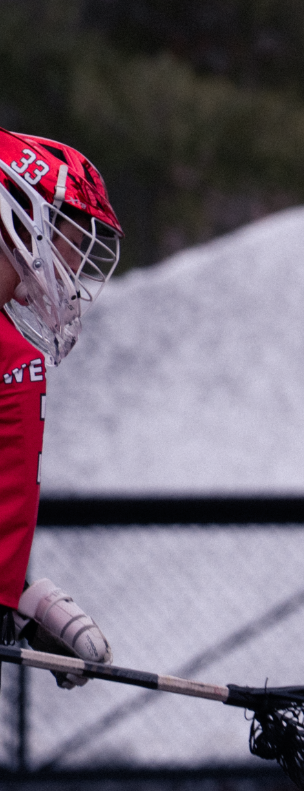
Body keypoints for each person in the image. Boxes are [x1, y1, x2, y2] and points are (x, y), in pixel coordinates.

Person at [0, 129, 122, 688]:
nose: (74, 268)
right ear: (22, 217)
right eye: (74, 238)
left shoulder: (12, 352)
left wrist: (18, 597)